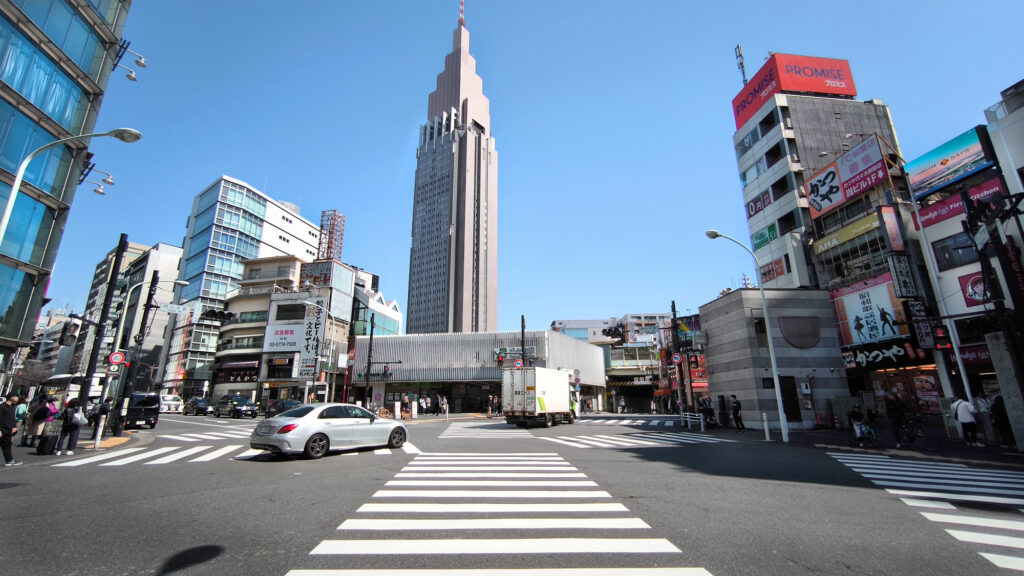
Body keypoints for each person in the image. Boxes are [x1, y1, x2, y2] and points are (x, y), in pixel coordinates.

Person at [2, 394, 21, 466]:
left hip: (9, 429)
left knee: (7, 445)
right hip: (2, 429)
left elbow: (12, 419)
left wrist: (14, 427)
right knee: (6, 445)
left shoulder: (13, 407)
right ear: (11, 397)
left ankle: (9, 460)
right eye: (16, 396)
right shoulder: (2, 407)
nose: (17, 398)